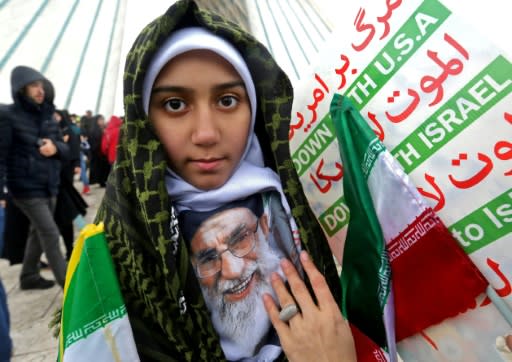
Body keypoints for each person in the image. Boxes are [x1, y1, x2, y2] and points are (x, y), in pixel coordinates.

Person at [93, 0, 356, 360]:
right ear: (143, 116)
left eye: (228, 100)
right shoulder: (123, 244)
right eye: (174, 104)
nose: (205, 134)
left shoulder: (297, 195)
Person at [0, 65, 68, 289]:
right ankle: (72, 286)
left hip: (50, 184)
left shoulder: (49, 115)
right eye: (33, 85)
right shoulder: (8, 116)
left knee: (37, 233)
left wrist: (55, 148)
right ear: (21, 89)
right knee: (50, 232)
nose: (39, 90)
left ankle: (28, 276)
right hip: (25, 187)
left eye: (41, 85)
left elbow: (67, 151)